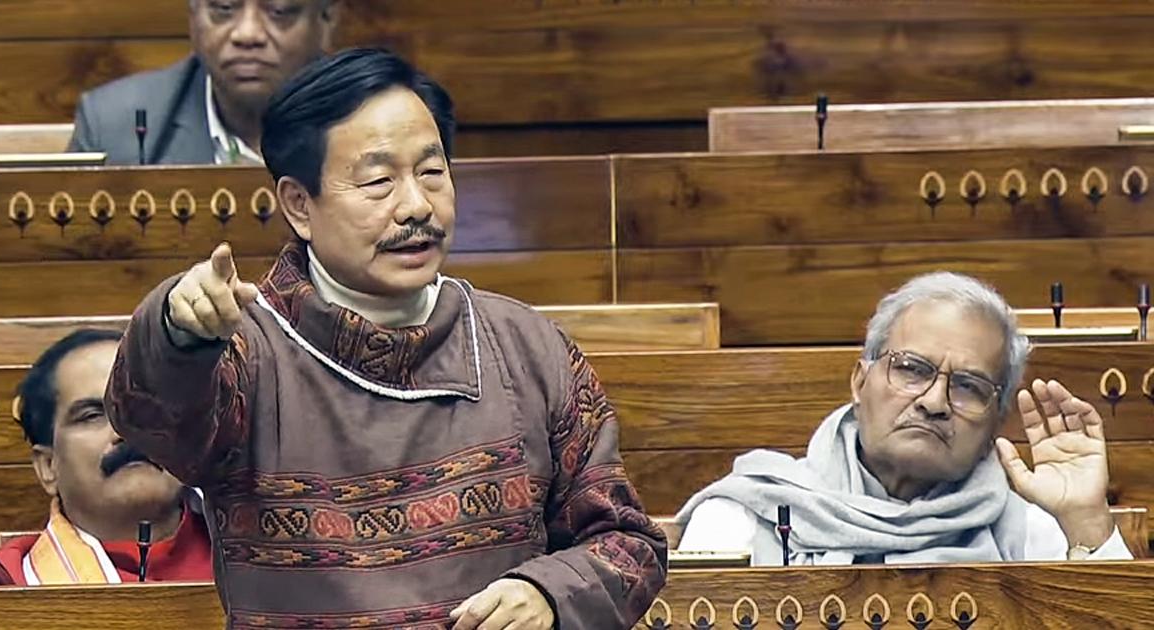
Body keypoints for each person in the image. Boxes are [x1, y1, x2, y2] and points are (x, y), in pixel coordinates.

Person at [104, 49, 667, 630]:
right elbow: (150, 420)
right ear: (299, 205)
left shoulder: (525, 347)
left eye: (432, 173)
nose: (417, 206)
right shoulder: (247, 353)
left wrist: (549, 595)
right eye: (378, 181)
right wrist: (177, 332)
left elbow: (626, 542)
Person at [677, 272, 1132, 565]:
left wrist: (1087, 520)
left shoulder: (1033, 534)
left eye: (968, 386)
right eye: (912, 369)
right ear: (860, 382)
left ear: (996, 422)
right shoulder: (742, 517)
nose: (934, 402)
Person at [0, 329, 212, 586]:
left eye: (146, 407)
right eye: (92, 416)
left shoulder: (236, 549)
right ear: (48, 467)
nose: (125, 430)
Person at [68, 0, 339, 165]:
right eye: (224, 8)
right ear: (193, 16)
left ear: (327, 19)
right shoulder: (112, 126)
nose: (248, 34)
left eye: (278, 11)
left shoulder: (361, 121)